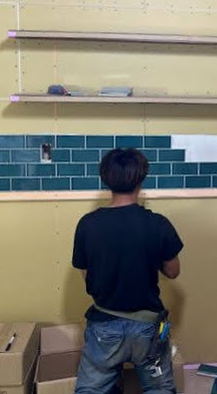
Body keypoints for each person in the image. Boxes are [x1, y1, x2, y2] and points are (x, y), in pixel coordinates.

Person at [73, 148, 184, 394]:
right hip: (147, 328)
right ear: (141, 180)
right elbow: (173, 271)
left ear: (106, 179)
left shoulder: (88, 224)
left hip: (103, 326)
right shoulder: (158, 224)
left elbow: (85, 272)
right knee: (159, 389)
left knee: (92, 389)